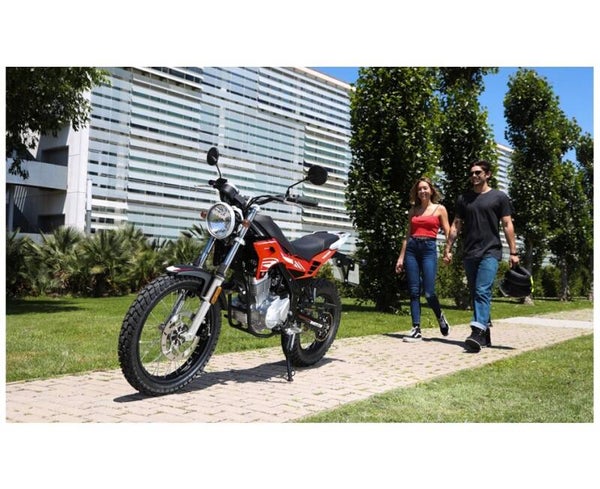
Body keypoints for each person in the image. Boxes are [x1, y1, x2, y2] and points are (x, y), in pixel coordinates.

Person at [443, 160, 519, 352]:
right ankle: (485, 335)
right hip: (470, 252)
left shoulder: (499, 197)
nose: (474, 176)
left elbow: (507, 224)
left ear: (488, 174)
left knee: (482, 290)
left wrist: (513, 252)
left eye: (478, 172)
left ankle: (476, 332)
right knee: (475, 292)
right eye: (472, 173)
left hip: (490, 251)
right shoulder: (464, 199)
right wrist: (448, 248)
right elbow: (456, 224)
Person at [395, 177, 451, 342]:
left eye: (425, 188)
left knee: (428, 292)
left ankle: (440, 316)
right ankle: (416, 329)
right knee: (413, 291)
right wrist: (401, 257)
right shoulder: (413, 211)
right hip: (412, 249)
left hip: (428, 249)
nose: (422, 191)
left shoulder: (440, 209)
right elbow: (407, 235)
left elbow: (448, 232)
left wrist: (448, 251)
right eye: (419, 189)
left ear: (431, 190)